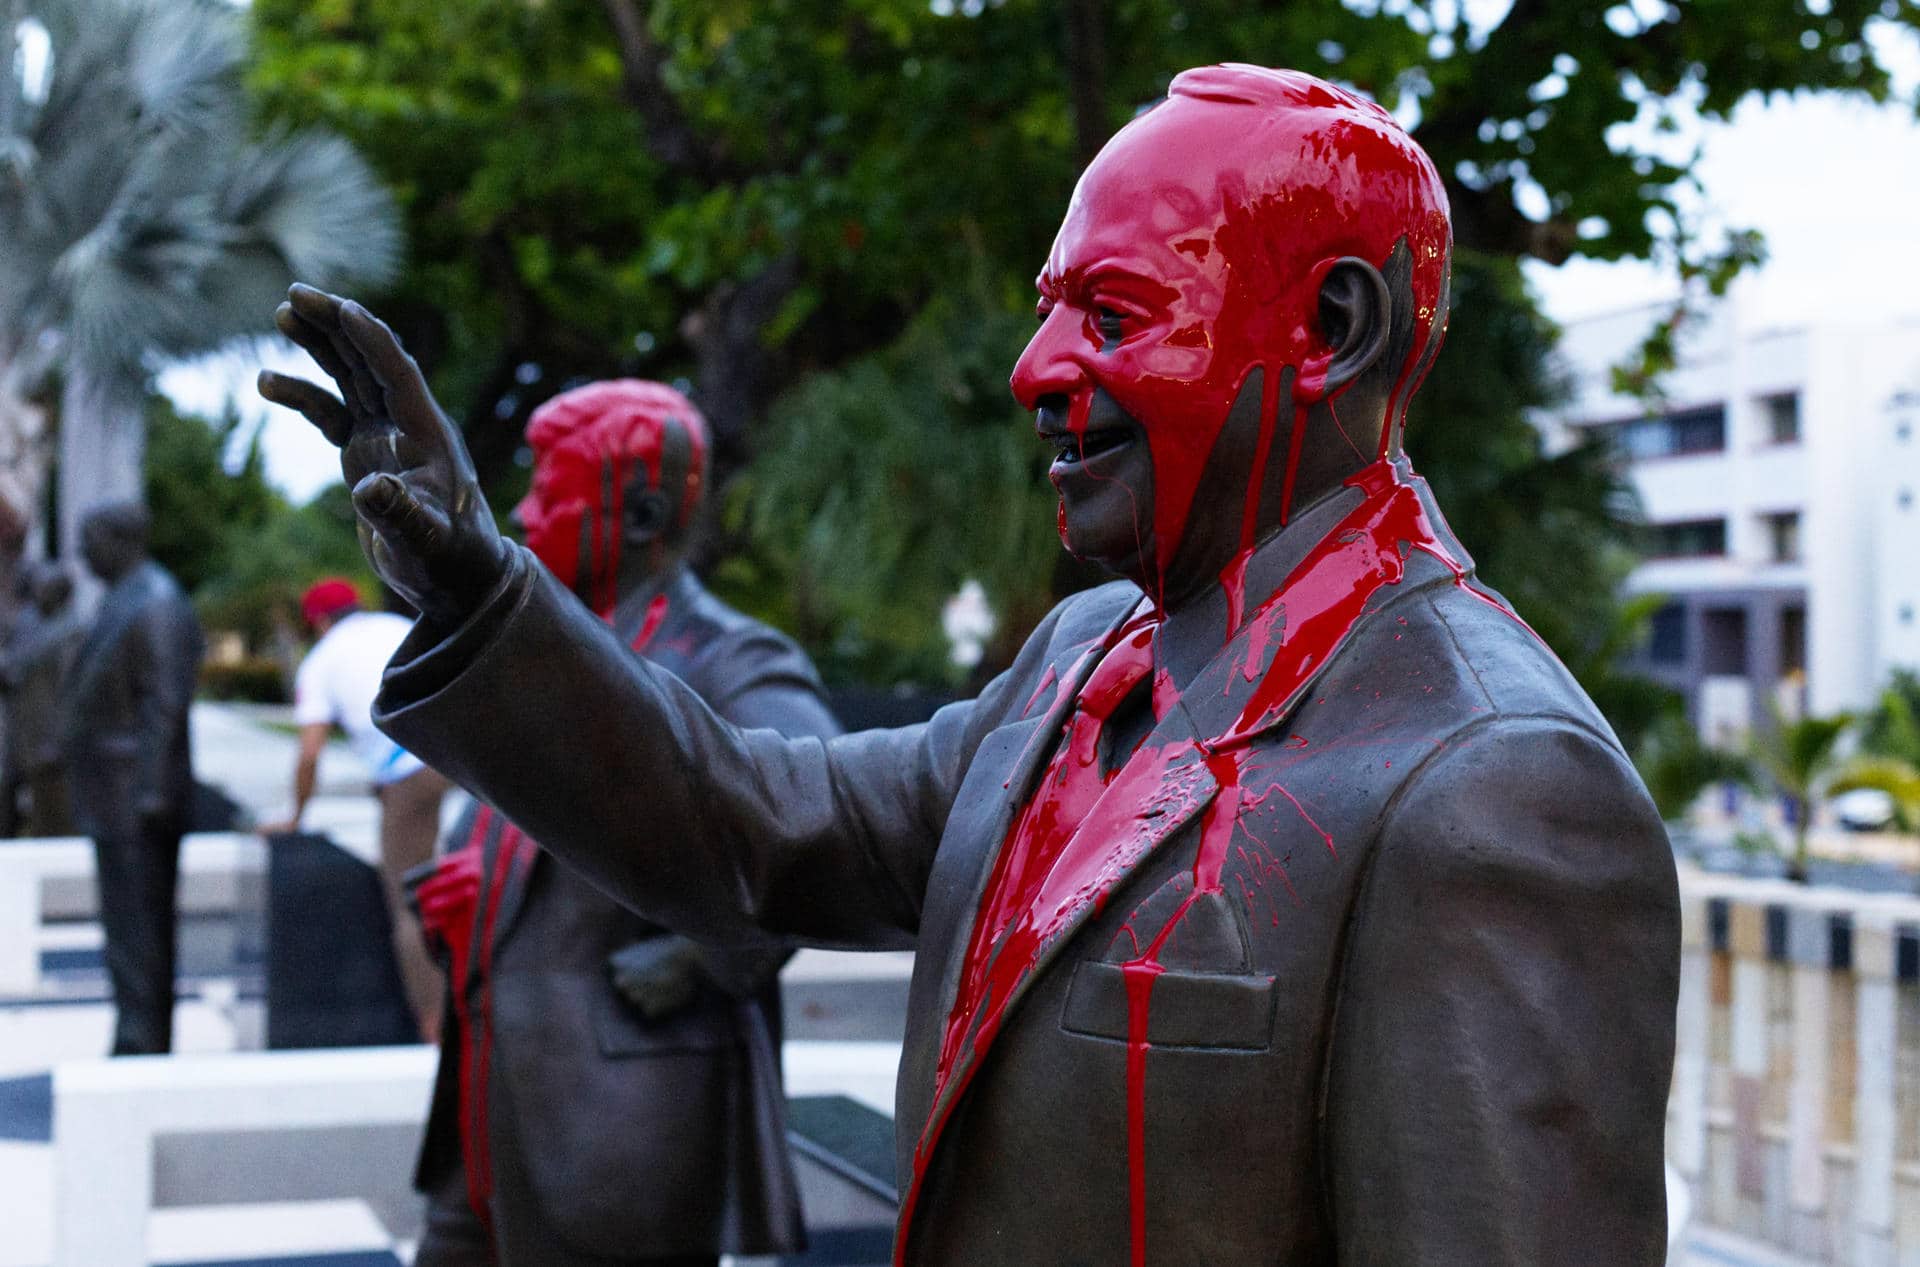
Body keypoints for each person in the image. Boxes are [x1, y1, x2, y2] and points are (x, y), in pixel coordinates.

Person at [262, 65, 1681, 1265]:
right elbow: (753, 821)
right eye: (1055, 307)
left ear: (1335, 331)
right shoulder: (1082, 659)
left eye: (1112, 314)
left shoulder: (1491, 785)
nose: (1034, 365)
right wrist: (483, 590)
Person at [409, 379, 838, 1267]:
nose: (522, 512)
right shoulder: (543, 649)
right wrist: (473, 880)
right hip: (489, 1090)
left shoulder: (730, 658)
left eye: (550, 491)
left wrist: (698, 960)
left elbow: (820, 828)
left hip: (621, 1105)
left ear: (642, 513)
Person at [259, 577, 450, 1040]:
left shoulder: (322, 661)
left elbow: (309, 754)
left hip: (410, 769)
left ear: (319, 623)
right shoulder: (394, 625)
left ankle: (437, 1029)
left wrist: (296, 816)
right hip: (456, 751)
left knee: (408, 900)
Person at [64, 502, 203, 1055]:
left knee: (140, 926)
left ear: (119, 539)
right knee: (126, 925)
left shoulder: (156, 603)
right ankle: (134, 1030)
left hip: (137, 802)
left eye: (88, 540)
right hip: (116, 797)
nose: (81, 553)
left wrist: (152, 794)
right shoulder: (126, 598)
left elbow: (165, 706)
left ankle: (143, 1039)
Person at [0, 561, 84, 836]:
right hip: (27, 736)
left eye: (44, 589)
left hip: (53, 740)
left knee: (56, 819)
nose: (37, 594)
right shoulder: (32, 623)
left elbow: (72, 693)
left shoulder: (72, 632)